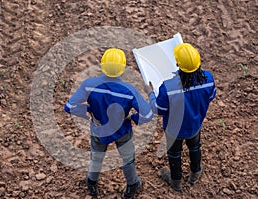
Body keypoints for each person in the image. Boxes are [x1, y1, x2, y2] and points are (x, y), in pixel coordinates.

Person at [64, 48, 153, 198]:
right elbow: (149, 114)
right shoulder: (129, 91)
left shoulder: (89, 84)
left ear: (102, 65)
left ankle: (91, 182)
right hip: (121, 131)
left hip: (98, 130)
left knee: (96, 158)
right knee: (127, 160)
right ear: (123, 68)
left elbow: (70, 106)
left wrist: (87, 110)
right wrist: (133, 118)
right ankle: (132, 185)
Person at [144, 43, 216, 191]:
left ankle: (176, 180)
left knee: (174, 153)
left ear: (177, 64)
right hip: (195, 124)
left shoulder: (169, 87)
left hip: (173, 130)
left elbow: (158, 109)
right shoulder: (208, 78)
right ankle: (195, 172)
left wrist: (150, 93)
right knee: (195, 147)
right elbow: (210, 96)